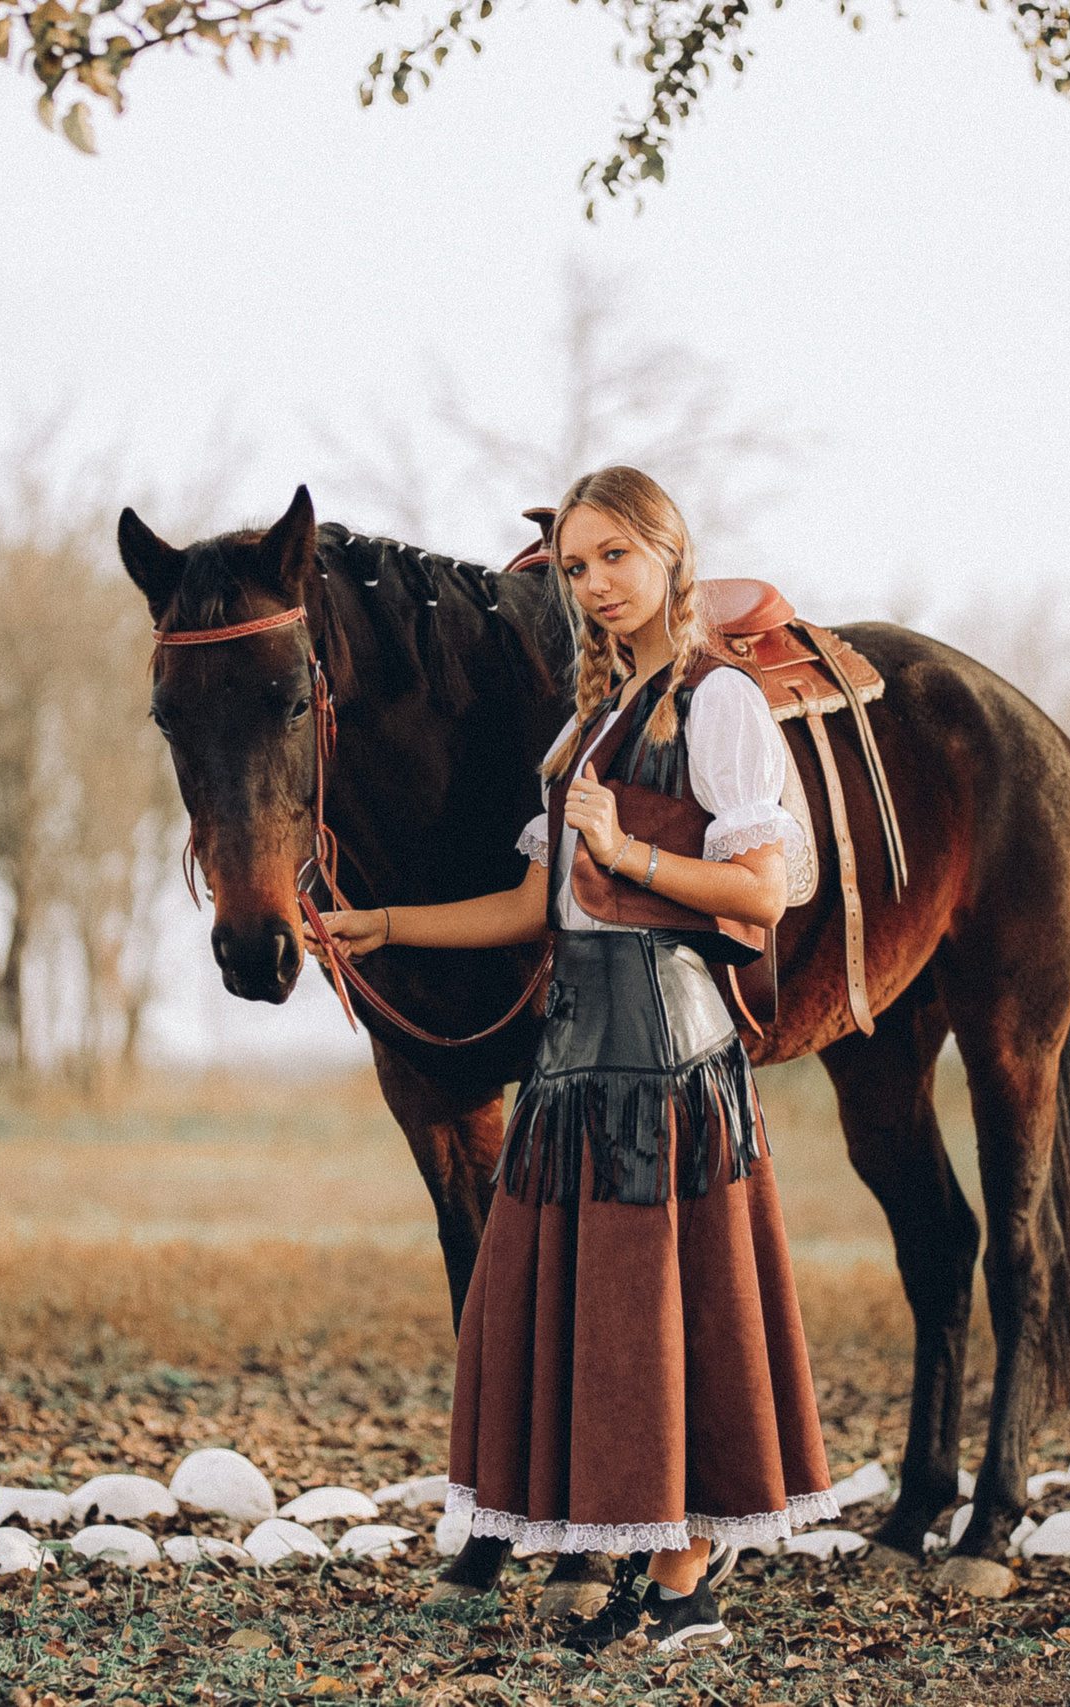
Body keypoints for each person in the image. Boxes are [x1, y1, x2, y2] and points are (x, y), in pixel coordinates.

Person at [317, 466, 836, 1656]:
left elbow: (759, 890)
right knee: (602, 1333)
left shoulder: (717, 704)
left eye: (616, 558)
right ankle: (646, 1571)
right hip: (574, 1063)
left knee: (679, 1315)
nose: (594, 585)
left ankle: (687, 1584)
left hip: (668, 1061)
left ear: (668, 555)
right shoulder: (595, 721)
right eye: (578, 565)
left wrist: (629, 855)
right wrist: (384, 928)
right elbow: (531, 903)